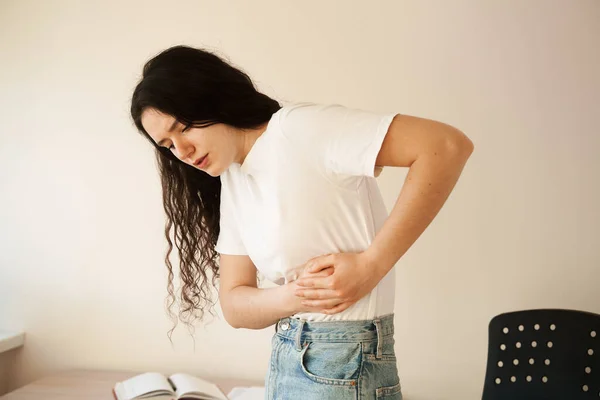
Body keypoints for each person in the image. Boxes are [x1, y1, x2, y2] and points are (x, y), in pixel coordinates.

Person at [130, 45, 474, 400]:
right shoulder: (233, 176)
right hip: (287, 357)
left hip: (346, 362)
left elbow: (445, 146)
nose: (182, 152)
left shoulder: (299, 129)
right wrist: (296, 295)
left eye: (184, 128)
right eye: (168, 145)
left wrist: (373, 265)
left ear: (212, 98)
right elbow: (234, 305)